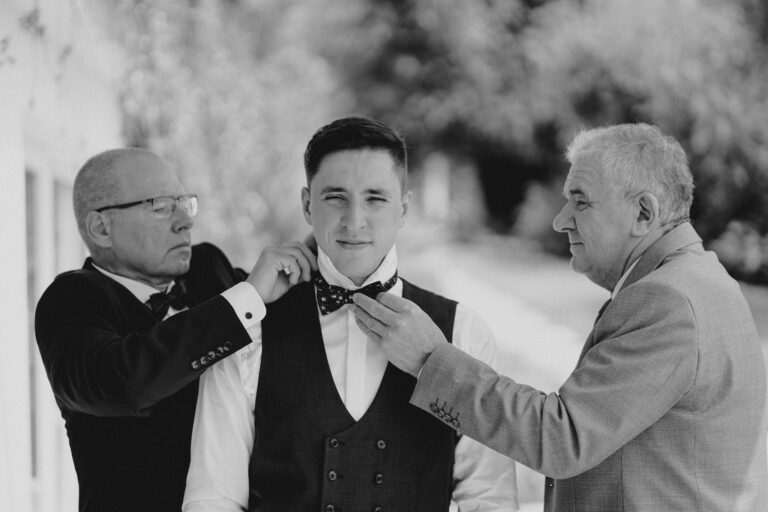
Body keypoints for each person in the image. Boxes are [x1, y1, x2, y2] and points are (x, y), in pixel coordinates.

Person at [353, 123, 768, 511]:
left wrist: (430, 359)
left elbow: (562, 438)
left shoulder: (668, 300)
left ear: (644, 213)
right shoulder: (700, 280)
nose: (560, 220)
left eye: (581, 202)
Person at [183, 117, 518, 511]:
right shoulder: (249, 333)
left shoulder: (463, 333)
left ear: (404, 208)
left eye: (375, 198)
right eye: (335, 197)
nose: (354, 220)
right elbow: (213, 497)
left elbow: (490, 497)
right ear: (308, 205)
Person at [35, 148, 316, 512]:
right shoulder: (70, 300)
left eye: (184, 203)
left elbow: (277, 315)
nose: (185, 220)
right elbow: (125, 383)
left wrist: (323, 251)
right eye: (160, 206)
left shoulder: (207, 267)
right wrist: (244, 297)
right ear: (101, 228)